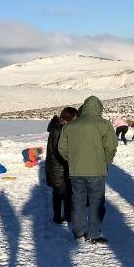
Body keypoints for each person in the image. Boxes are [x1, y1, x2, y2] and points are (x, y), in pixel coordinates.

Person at [57, 96, 118, 243]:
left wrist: (73, 160)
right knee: (96, 202)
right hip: (97, 170)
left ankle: (78, 232)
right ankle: (93, 234)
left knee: (78, 201)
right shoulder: (104, 124)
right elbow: (111, 147)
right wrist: (105, 161)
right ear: (99, 108)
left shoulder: (70, 126)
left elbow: (62, 148)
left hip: (76, 171)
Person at [45, 107, 78, 224]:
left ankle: (58, 216)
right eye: (75, 118)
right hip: (58, 168)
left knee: (58, 193)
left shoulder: (57, 127)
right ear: (69, 118)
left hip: (55, 166)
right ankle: (66, 216)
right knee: (65, 194)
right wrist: (70, 161)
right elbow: (58, 151)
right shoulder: (60, 130)